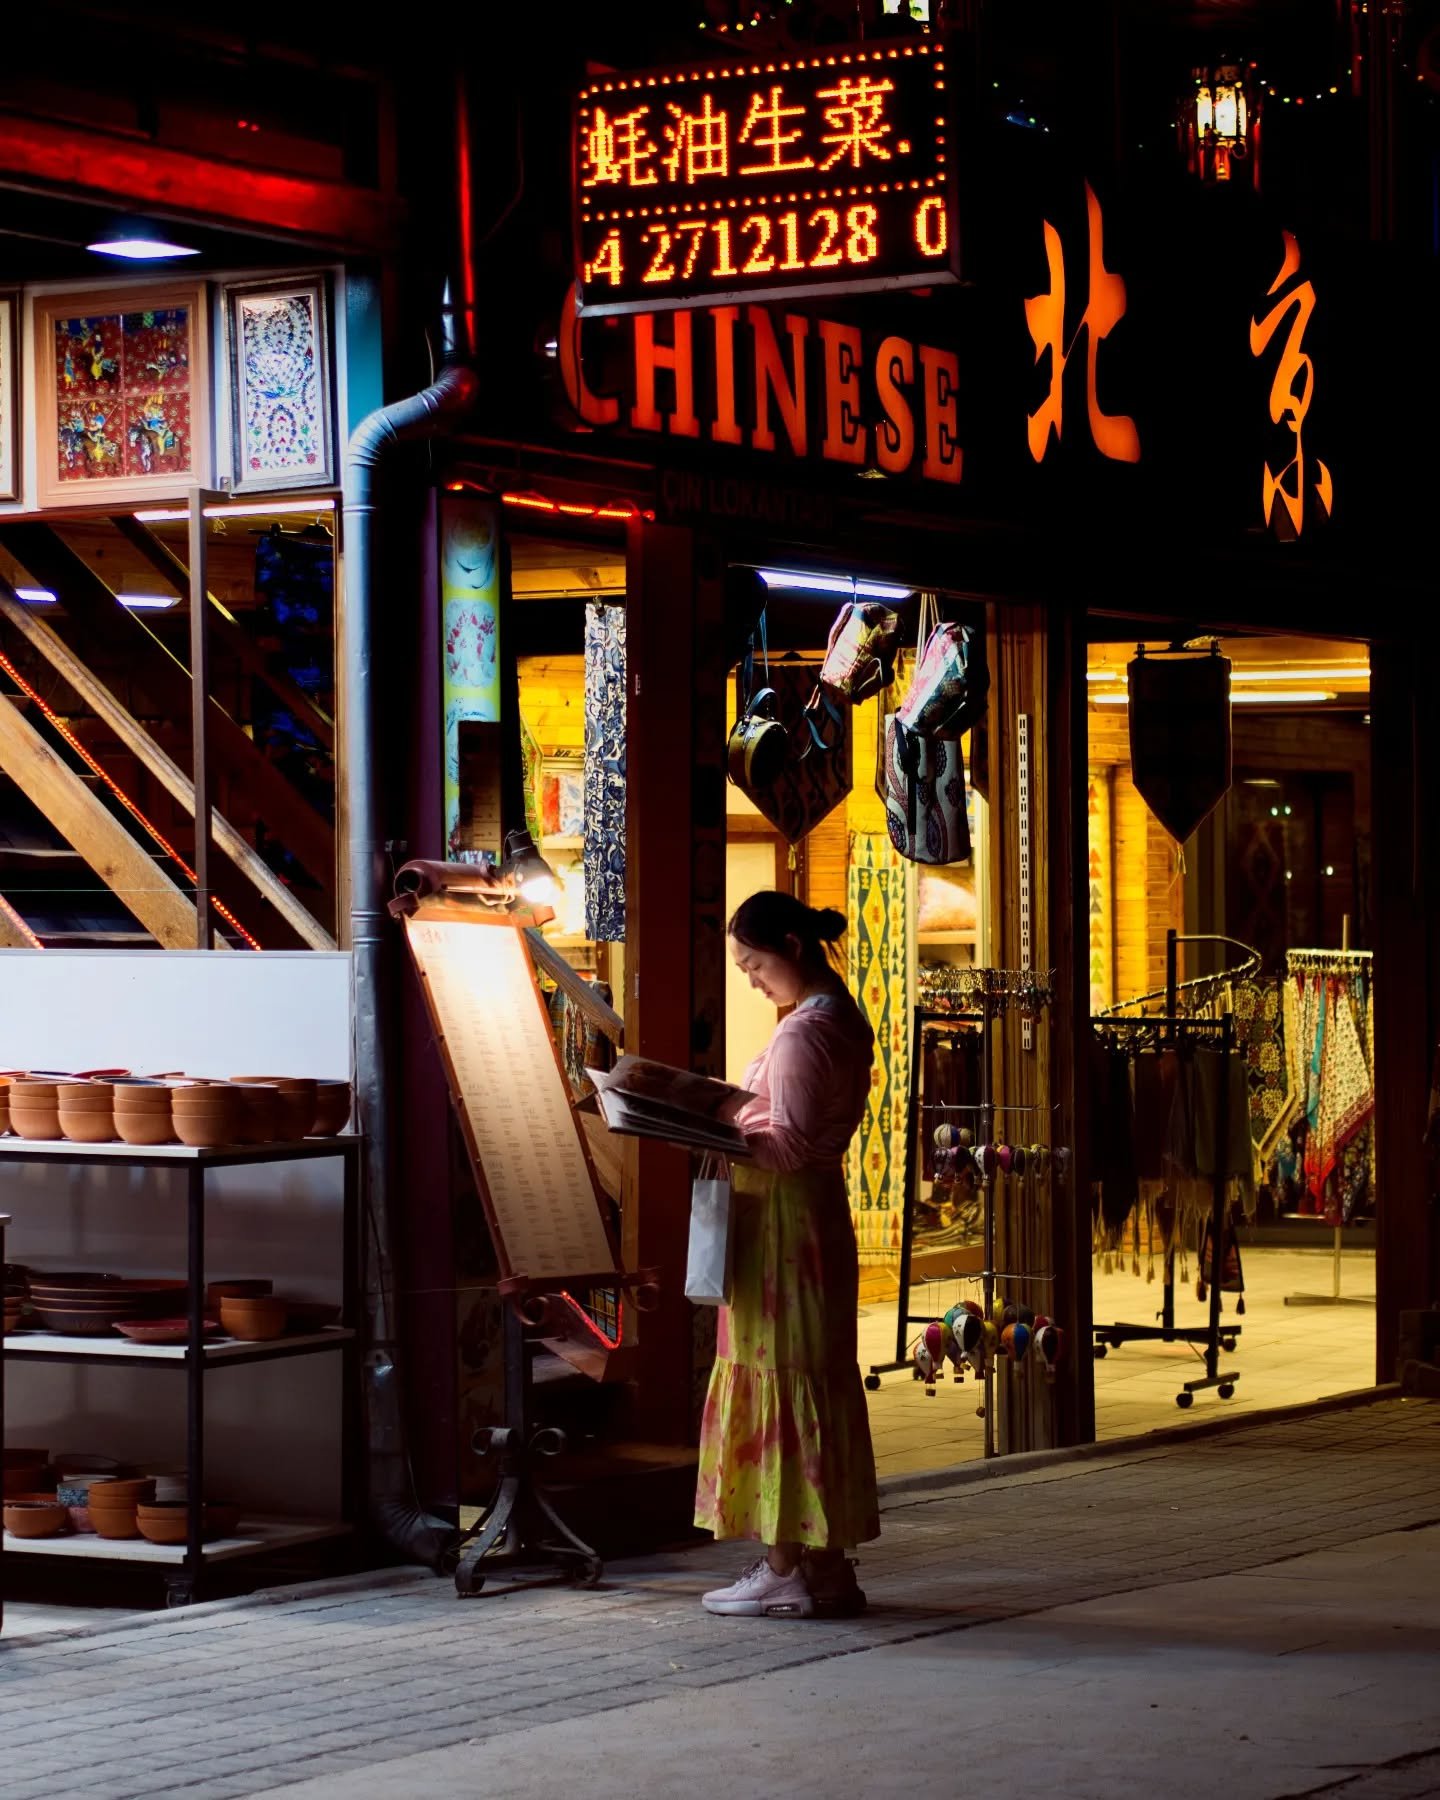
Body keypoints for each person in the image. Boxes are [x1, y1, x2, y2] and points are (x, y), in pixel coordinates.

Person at [696, 891, 880, 1619]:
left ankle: (781, 1566)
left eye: (754, 962)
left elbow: (793, 1146)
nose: (749, 977)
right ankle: (826, 1565)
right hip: (810, 1219)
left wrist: (704, 1130)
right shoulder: (839, 1019)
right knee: (811, 1380)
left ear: (792, 948)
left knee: (780, 1376)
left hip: (783, 1222)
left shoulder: (807, 1034)